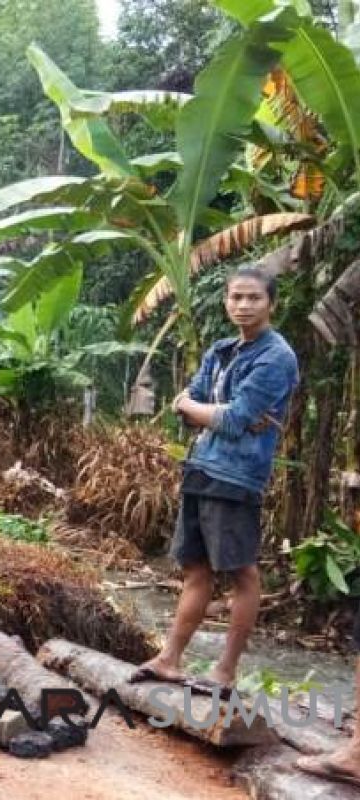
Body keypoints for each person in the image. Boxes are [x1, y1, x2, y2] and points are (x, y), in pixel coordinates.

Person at [130, 267, 299, 697]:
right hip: (201, 467)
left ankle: (224, 671)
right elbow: (188, 404)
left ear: (271, 304)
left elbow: (234, 419)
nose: (243, 305)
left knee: (241, 572)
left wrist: (207, 411)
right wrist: (202, 409)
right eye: (236, 297)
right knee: (195, 568)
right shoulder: (221, 351)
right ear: (225, 302)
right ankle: (169, 660)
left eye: (254, 298)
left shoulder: (276, 357)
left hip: (237, 475)